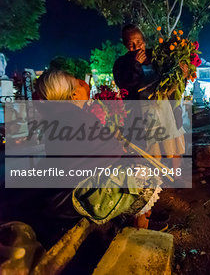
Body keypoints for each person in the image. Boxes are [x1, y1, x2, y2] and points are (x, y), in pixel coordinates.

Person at [33, 70, 161, 227]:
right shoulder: (74, 115)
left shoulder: (56, 115)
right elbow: (108, 151)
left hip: (67, 183)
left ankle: (139, 219)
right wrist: (122, 152)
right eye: (75, 86)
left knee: (131, 169)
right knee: (143, 176)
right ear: (70, 94)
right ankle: (140, 230)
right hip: (79, 191)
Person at [113, 24, 185, 161]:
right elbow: (124, 85)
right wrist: (135, 65)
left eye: (139, 42)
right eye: (131, 44)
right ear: (126, 46)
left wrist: (182, 73)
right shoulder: (122, 63)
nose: (136, 47)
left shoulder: (157, 56)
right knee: (153, 149)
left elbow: (170, 79)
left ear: (144, 41)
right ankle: (157, 180)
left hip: (165, 107)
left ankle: (176, 177)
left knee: (174, 143)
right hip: (144, 111)